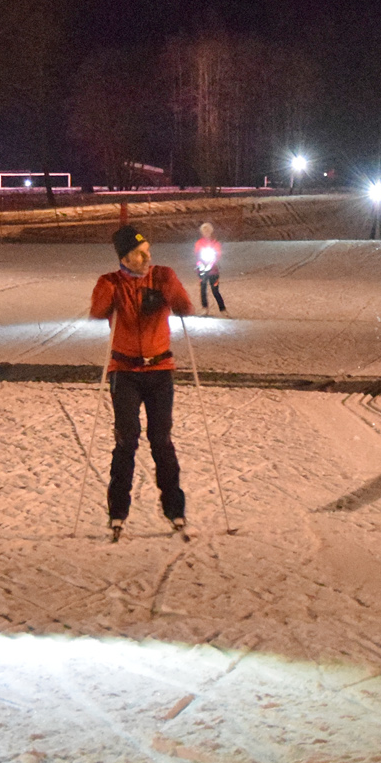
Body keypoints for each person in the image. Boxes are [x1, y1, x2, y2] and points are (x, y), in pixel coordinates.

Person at [90, 225, 193, 540]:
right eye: (138, 252)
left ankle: (174, 509)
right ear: (124, 257)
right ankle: (118, 511)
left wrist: (168, 288)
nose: (146, 256)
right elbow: (97, 311)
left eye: (148, 249)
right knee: (127, 440)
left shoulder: (162, 275)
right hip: (125, 371)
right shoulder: (110, 282)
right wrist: (113, 290)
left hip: (159, 368)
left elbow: (185, 307)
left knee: (161, 439)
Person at [194, 221, 226, 314]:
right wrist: (200, 264)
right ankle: (205, 308)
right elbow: (196, 254)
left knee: (215, 290)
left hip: (213, 271)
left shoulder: (215, 243)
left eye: (208, 231)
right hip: (202, 270)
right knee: (203, 289)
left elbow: (218, 254)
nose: (206, 233)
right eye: (204, 231)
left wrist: (211, 264)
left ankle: (222, 309)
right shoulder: (199, 243)